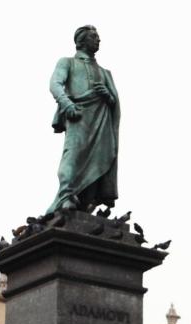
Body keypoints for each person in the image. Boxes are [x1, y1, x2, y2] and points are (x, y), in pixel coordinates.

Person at [47, 25, 120, 214]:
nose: (98, 40)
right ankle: (66, 196)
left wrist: (109, 97)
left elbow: (114, 102)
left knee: (100, 158)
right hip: (78, 115)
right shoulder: (67, 62)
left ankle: (86, 201)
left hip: (101, 119)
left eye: (98, 37)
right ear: (81, 40)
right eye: (94, 36)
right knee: (73, 156)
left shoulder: (105, 72)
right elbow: (55, 84)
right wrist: (67, 104)